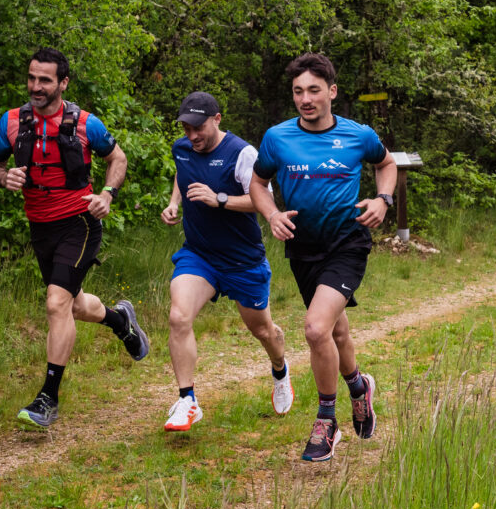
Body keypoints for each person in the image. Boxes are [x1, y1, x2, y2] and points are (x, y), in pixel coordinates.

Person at [0, 48, 150, 429]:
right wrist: (2, 176)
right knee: (72, 305)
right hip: (40, 226)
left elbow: (118, 158)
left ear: (63, 83)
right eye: (31, 78)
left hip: (80, 221)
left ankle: (48, 398)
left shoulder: (86, 124)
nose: (36, 87)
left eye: (45, 80)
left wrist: (107, 194)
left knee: (56, 302)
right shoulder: (11, 122)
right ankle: (121, 320)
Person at [249, 53, 397, 462]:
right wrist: (272, 213)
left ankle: (326, 420)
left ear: (331, 92)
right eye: (298, 91)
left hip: (347, 243)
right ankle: (358, 387)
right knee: (335, 332)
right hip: (303, 246)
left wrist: (383, 199)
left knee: (315, 329)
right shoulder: (277, 138)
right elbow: (258, 182)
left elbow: (386, 164)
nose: (305, 98)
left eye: (314, 90)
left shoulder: (357, 135)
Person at [158, 92, 291, 431]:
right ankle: (187, 400)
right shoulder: (182, 147)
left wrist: (219, 199)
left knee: (262, 330)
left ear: (217, 119)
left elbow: (263, 200)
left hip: (242, 260)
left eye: (198, 128)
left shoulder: (242, 153)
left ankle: (280, 368)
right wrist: (174, 202)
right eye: (186, 128)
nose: (192, 136)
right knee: (178, 316)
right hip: (199, 254)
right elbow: (182, 171)